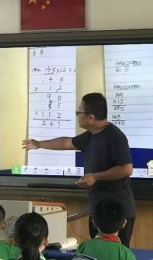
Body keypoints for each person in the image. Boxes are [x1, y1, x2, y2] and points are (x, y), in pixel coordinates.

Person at [22, 92, 136, 247]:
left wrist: (95, 176)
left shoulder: (116, 137)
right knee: (96, 253)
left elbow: (127, 169)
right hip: (98, 209)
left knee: (117, 256)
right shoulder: (90, 136)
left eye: (79, 112)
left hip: (117, 213)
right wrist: (39, 144)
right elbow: (66, 143)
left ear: (91, 117)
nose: (77, 115)